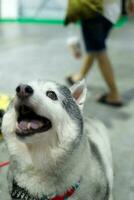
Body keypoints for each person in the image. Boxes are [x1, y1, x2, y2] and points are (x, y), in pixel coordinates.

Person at [66, 0, 123, 107]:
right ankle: (79, 76)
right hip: (112, 11)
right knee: (94, 46)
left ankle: (114, 94)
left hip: (93, 9)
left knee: (99, 50)